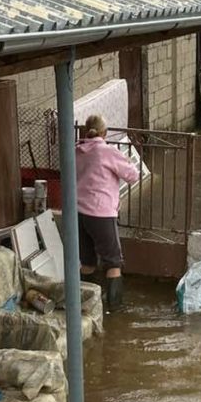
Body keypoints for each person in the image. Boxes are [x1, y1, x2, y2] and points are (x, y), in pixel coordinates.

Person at [75, 114, 139, 309]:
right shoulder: (106, 151)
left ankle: (87, 304)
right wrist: (126, 160)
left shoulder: (77, 150)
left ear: (87, 130)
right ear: (105, 132)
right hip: (101, 213)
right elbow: (133, 175)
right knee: (113, 262)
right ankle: (115, 308)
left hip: (79, 212)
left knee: (87, 262)